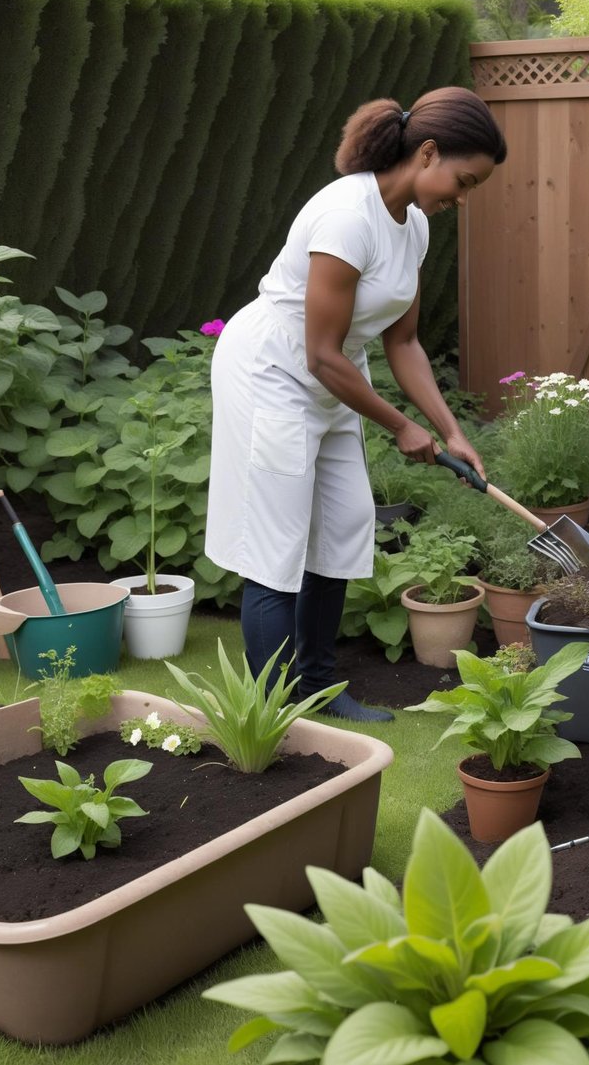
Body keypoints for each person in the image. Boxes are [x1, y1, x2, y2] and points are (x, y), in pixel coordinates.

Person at [205, 87, 506, 722]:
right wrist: (401, 426)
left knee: (342, 527)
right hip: (274, 371)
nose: (461, 197)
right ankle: (272, 712)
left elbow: (403, 341)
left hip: (339, 379)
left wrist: (450, 430)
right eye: (463, 179)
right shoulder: (347, 215)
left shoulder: (414, 226)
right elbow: (318, 351)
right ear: (427, 154)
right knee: (275, 541)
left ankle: (318, 687)